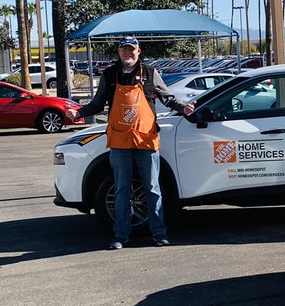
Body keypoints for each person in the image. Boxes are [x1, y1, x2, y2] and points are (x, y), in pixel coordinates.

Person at [69, 36, 196, 249]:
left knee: (153, 188)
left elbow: (167, 98)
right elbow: (98, 104)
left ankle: (159, 233)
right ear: (119, 52)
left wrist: (183, 108)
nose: (128, 53)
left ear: (139, 51)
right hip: (119, 141)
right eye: (124, 50)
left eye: (131, 49)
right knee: (121, 190)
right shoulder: (109, 75)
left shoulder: (150, 73)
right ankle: (120, 235)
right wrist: (78, 112)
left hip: (146, 139)